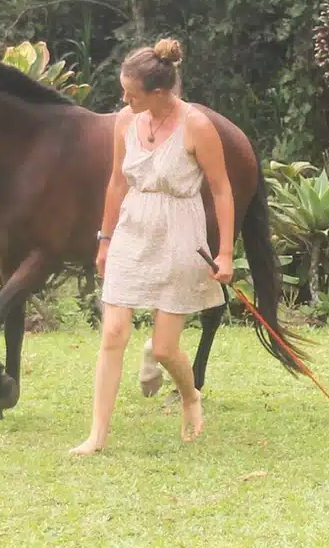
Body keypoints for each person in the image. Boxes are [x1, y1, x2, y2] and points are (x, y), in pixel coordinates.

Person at [69, 38, 235, 455]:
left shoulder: (196, 126)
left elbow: (221, 190)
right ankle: (97, 435)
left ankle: (190, 396)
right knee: (113, 332)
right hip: (132, 228)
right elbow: (117, 182)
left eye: (131, 92)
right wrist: (105, 239)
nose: (123, 99)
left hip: (179, 232)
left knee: (163, 349)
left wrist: (226, 253)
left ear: (159, 92)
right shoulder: (126, 121)